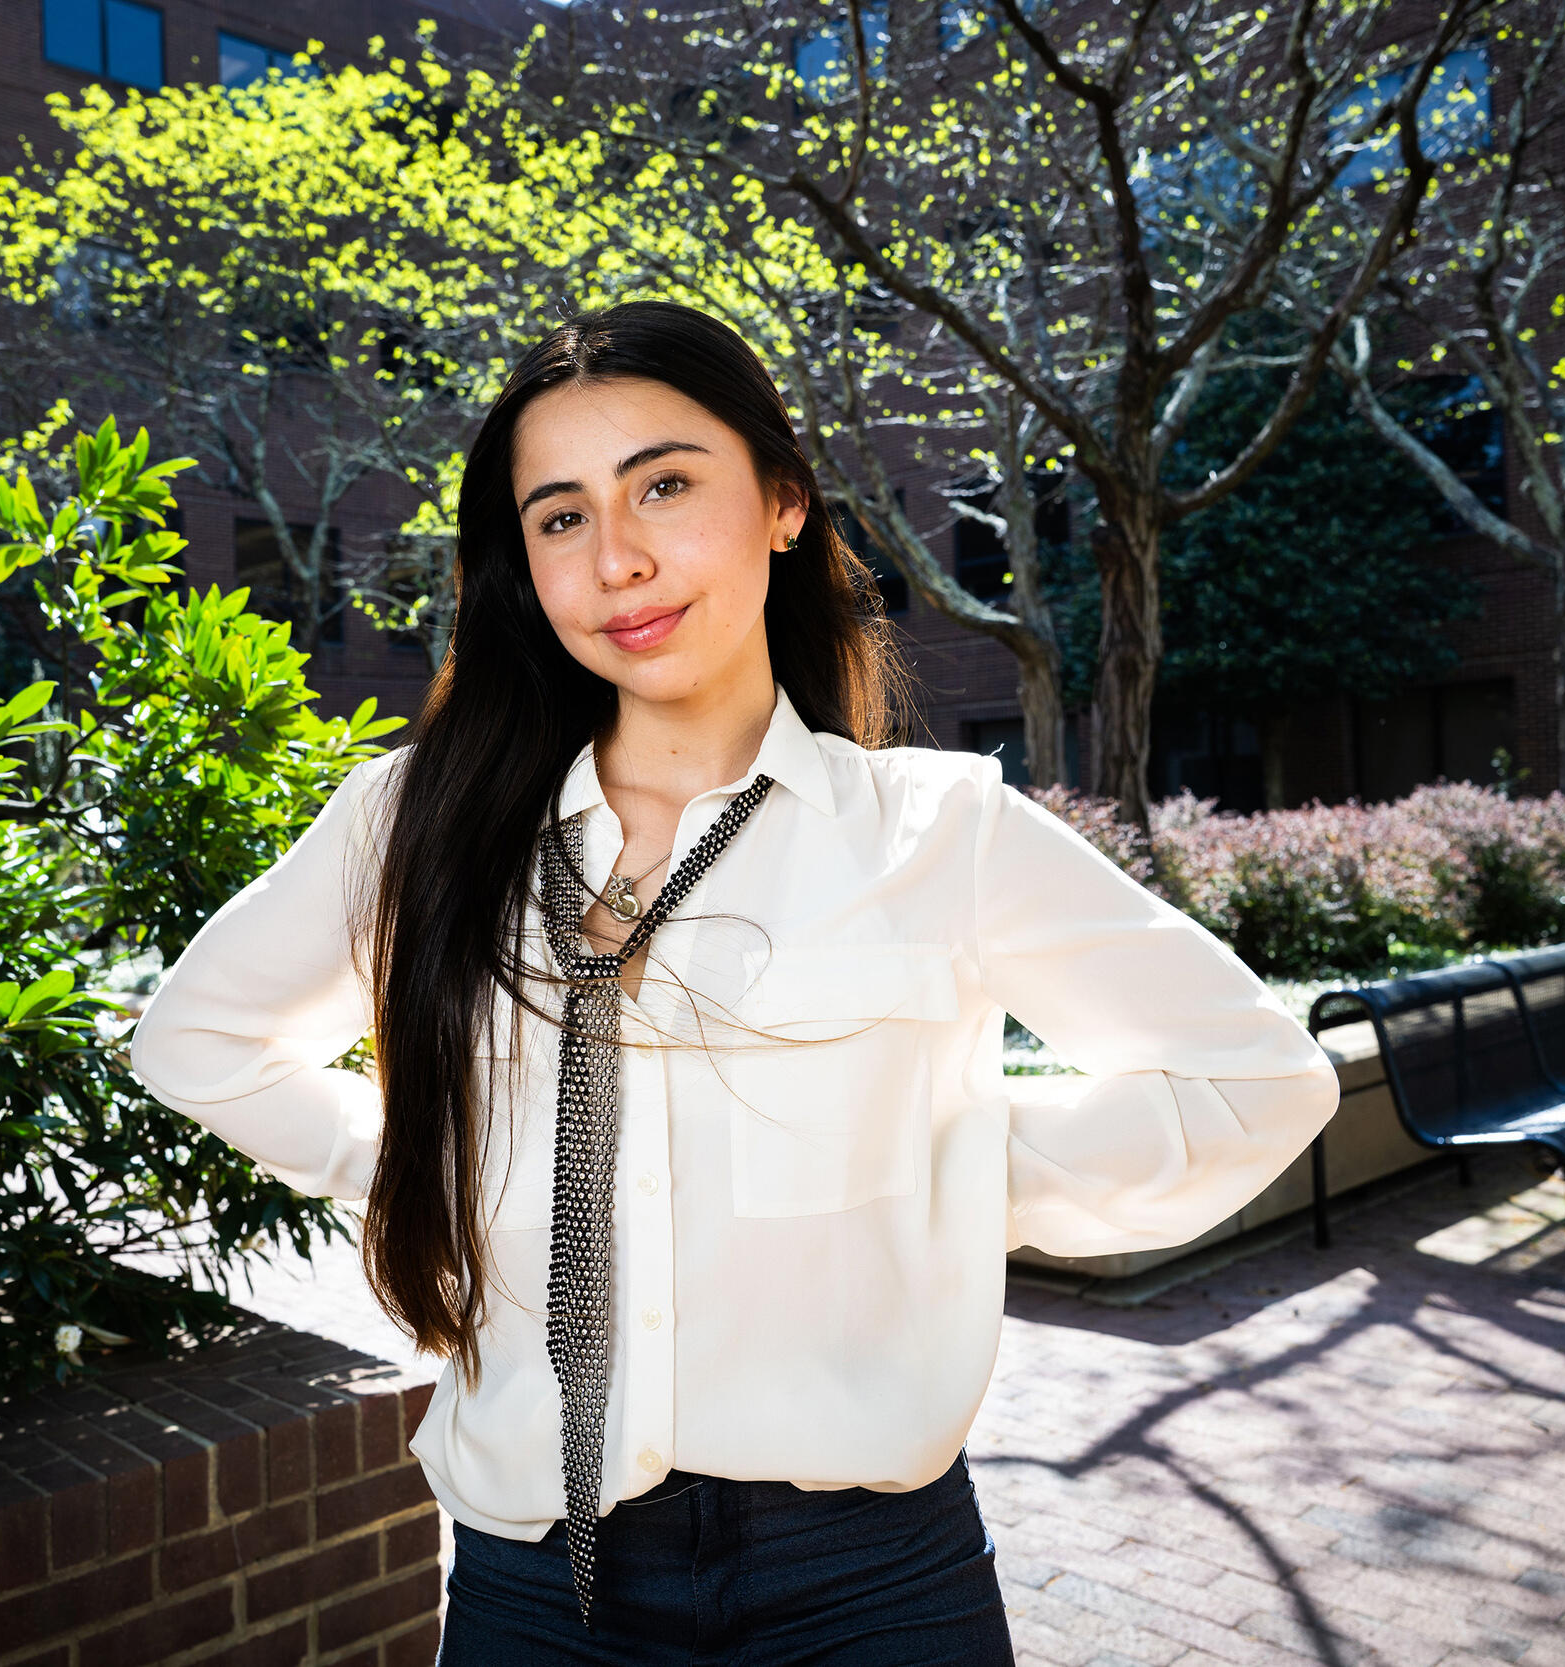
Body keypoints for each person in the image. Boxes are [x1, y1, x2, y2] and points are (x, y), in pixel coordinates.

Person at [128, 300, 1343, 1664]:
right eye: (562, 517)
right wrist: (435, 1166)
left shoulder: (935, 831)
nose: (620, 557)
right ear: (521, 567)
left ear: (781, 504)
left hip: (871, 1586)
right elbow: (199, 1040)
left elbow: (1258, 1081)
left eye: (663, 485)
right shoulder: (417, 820)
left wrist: (951, 1179)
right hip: (541, 1583)